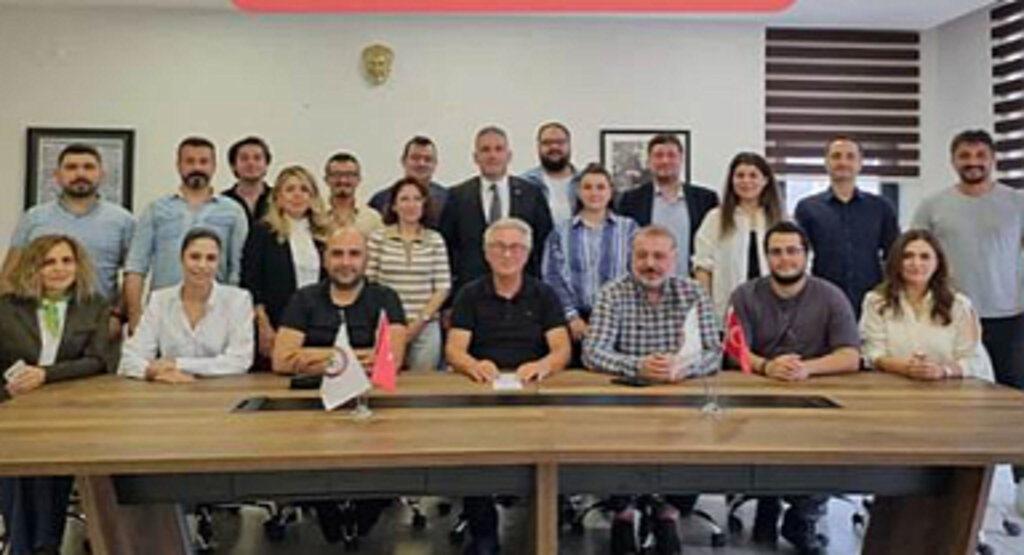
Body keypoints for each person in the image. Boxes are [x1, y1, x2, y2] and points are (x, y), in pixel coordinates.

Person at [582, 225, 721, 555]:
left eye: (659, 256)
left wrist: (682, 367)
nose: (650, 264)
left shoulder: (693, 292)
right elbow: (592, 352)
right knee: (615, 441)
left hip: (680, 396)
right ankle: (623, 513)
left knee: (693, 440)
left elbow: (714, 351)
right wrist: (638, 365)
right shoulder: (612, 293)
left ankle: (668, 511)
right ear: (631, 257)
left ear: (674, 258)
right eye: (642, 256)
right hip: (625, 397)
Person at [729, 221, 860, 554]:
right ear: (766, 257)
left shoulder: (831, 296)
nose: (784, 259)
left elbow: (850, 356)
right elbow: (734, 350)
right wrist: (767, 366)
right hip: (759, 393)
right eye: (776, 252)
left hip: (815, 393)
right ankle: (768, 497)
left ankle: (804, 516)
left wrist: (807, 369)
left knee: (822, 445)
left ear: (807, 255)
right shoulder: (744, 295)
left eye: (792, 251)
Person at [911, 129, 1024, 510]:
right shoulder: (933, 206)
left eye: (980, 155)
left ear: (993, 159)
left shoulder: (1017, 202)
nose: (973, 162)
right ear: (953, 160)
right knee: (951, 399)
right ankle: (945, 484)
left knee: (1014, 401)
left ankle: (1021, 482)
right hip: (949, 316)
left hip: (1008, 316)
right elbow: (916, 255)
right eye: (965, 156)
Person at [272, 225, 406, 546]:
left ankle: (365, 508)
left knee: (376, 458)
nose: (346, 262)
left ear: (366, 259)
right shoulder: (305, 298)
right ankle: (326, 507)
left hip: (369, 404)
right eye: (337, 254)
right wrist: (348, 356)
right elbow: (281, 359)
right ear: (325, 258)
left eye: (354, 254)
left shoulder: (385, 298)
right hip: (311, 406)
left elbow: (389, 359)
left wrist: (311, 355)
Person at [446, 217, 570, 554]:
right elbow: (454, 350)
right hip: (482, 389)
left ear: (527, 253)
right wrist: (473, 364)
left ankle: (544, 526)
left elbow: (561, 349)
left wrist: (543, 365)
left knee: (548, 454)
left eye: (515, 247)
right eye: (498, 247)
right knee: (474, 456)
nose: (507, 254)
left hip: (536, 392)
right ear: (486, 253)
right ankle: (484, 531)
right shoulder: (470, 294)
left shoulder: (544, 294)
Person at [0, 235, 113, 555]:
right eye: (48, 262)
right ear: (32, 267)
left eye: (67, 261)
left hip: (69, 408)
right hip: (14, 405)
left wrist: (46, 374)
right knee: (18, 466)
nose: (59, 269)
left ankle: (43, 544)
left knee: (52, 466)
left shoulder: (94, 305)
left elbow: (98, 360)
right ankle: (28, 545)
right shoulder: (6, 307)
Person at [1, 143, 134, 335]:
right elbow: (9, 275)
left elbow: (133, 277)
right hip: (40, 324)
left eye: (88, 167)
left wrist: (118, 316)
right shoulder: (34, 218)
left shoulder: (123, 221)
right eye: (71, 167)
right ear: (57, 175)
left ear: (101, 174)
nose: (80, 173)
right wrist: (13, 321)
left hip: (98, 324)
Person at [124, 136, 248, 332]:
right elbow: (135, 267)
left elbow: (238, 269)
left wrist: (233, 314)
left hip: (216, 315)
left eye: (203, 161)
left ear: (214, 166)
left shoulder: (233, 211)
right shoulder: (156, 210)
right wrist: (135, 316)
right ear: (178, 165)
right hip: (163, 314)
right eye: (189, 161)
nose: (197, 167)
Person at [119, 228, 254, 382]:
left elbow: (240, 361)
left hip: (222, 391)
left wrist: (177, 364)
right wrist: (153, 373)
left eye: (211, 258)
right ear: (181, 259)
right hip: (170, 389)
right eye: (195, 257)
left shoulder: (238, 300)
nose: (202, 265)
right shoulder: (159, 300)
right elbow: (130, 358)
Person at [860, 229, 992, 381]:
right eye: (907, 256)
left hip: (951, 388)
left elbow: (973, 360)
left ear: (937, 263)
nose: (916, 263)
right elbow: (872, 354)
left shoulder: (959, 305)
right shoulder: (876, 302)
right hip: (894, 388)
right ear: (896, 262)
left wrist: (942, 371)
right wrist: (905, 368)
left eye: (925, 257)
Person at [440, 126, 554, 295]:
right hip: (471, 293)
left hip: (523, 292)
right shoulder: (457, 196)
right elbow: (448, 247)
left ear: (509, 155)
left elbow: (543, 244)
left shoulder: (532, 194)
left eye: (498, 149)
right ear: (475, 157)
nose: (492, 155)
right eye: (485, 150)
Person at [794, 135, 899, 317]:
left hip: (872, 300)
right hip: (823, 299)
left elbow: (894, 255)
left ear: (860, 163)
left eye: (850, 156)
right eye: (836, 156)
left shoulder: (881, 207)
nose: (843, 162)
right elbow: (800, 256)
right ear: (826, 163)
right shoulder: (807, 208)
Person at [542, 163, 636, 359]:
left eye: (600, 187)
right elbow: (552, 278)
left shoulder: (629, 229)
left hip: (619, 319)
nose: (594, 193)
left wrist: (612, 318)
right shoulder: (561, 231)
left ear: (611, 192)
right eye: (587, 187)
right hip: (574, 322)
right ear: (578, 192)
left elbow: (636, 274)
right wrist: (571, 317)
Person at [241, 166, 330, 367]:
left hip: (317, 325)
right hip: (276, 323)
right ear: (278, 197)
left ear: (313, 197)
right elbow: (251, 282)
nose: (297, 195)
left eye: (304, 189)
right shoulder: (263, 232)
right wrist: (263, 324)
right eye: (290, 189)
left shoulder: (324, 235)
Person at [367, 177, 450, 371]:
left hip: (426, 326)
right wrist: (396, 327)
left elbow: (442, 287)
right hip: (386, 324)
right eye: (404, 199)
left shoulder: (435, 239)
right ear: (394, 206)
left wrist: (418, 324)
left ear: (424, 205)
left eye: (417, 199)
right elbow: (370, 282)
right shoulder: (378, 237)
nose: (411, 205)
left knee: (422, 383)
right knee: (385, 377)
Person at [693, 152, 784, 318]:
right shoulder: (716, 218)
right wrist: (705, 308)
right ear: (732, 181)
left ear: (765, 180)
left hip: (774, 309)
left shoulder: (781, 219)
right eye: (740, 176)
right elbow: (703, 266)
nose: (746, 181)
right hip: (728, 309)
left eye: (753, 175)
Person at [617, 133, 718, 276]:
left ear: (681, 159)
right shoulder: (630, 201)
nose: (665, 161)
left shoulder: (706, 199)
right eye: (658, 156)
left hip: (692, 284)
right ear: (649, 161)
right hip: (646, 283)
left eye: (671, 155)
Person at [368, 135, 449, 227]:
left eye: (427, 159)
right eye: (415, 158)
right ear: (403, 161)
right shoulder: (381, 200)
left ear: (435, 164)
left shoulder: (447, 200)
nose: (421, 163)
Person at [520, 121, 580, 223]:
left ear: (569, 145)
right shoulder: (525, 183)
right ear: (538, 147)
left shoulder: (584, 182)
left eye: (560, 142)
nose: (554, 147)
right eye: (547, 143)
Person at [324, 152, 383, 236]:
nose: (343, 180)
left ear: (358, 179)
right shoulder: (315, 215)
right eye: (336, 175)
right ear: (326, 179)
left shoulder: (372, 218)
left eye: (349, 175)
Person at [222, 136, 274, 225]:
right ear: (233, 165)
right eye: (244, 158)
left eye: (257, 158)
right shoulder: (223, 202)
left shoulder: (279, 199)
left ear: (266, 164)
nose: (251, 163)